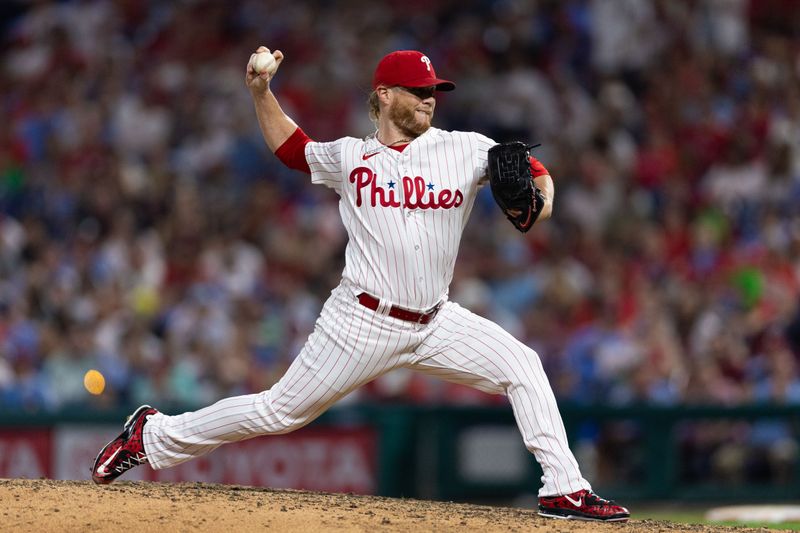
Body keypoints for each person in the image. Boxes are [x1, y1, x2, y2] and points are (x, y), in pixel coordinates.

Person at [91, 46, 630, 522]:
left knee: (523, 366)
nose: (429, 99)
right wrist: (261, 92)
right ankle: (152, 435)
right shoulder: (352, 156)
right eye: (418, 91)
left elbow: (530, 167)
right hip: (361, 321)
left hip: (436, 320)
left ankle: (564, 489)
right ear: (385, 94)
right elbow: (292, 150)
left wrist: (546, 195)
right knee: (280, 411)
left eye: (433, 91)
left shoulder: (464, 148)